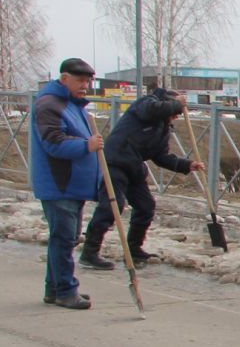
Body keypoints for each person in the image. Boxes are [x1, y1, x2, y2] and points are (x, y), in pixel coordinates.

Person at [80, 87, 204, 270]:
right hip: (115, 162)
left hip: (134, 167)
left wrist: (186, 165)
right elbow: (151, 110)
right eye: (175, 113)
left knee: (146, 206)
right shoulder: (146, 104)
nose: (175, 117)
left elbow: (160, 156)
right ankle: (90, 251)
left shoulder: (163, 129)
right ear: (167, 105)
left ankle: (133, 248)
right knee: (112, 205)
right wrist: (177, 104)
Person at [29, 58, 104, 310]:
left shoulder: (73, 104)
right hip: (59, 182)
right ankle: (65, 290)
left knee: (66, 238)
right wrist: (87, 145)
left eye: (87, 81)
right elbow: (53, 143)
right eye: (80, 80)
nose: (85, 86)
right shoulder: (49, 105)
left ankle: (55, 288)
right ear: (64, 79)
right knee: (63, 238)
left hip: (73, 184)